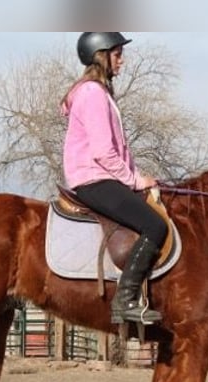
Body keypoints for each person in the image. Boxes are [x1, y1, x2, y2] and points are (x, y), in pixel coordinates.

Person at [61, 32, 168, 325]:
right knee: (155, 225)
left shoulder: (97, 92)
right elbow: (104, 152)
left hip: (100, 176)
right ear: (101, 55)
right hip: (94, 178)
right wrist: (134, 180)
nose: (122, 60)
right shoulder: (93, 93)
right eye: (118, 53)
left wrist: (140, 178)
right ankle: (125, 300)